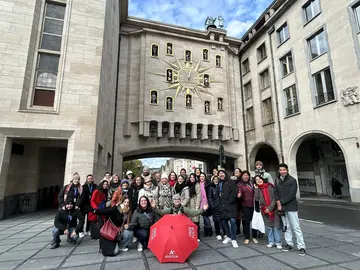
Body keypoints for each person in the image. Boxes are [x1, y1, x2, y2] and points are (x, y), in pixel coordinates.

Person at [274, 163, 306, 256]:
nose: (282, 171)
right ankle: (289, 244)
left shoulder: (292, 180)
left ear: (287, 170)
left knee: (296, 227)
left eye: (284, 170)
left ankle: (301, 246)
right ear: (278, 171)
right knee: (286, 226)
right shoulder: (277, 180)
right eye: (280, 170)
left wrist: (280, 202)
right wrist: (277, 201)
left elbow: (292, 194)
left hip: (291, 207)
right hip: (282, 207)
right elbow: (275, 191)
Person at [254, 175, 282, 249]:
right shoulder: (258, 189)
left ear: (262, 179)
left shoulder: (270, 186)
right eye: (256, 180)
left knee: (276, 226)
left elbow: (274, 198)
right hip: (264, 210)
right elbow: (256, 199)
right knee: (269, 227)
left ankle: (278, 242)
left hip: (273, 209)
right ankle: (271, 242)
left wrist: (270, 208)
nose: (259, 180)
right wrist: (256, 189)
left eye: (259, 179)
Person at [218, 169, 238, 248]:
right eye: (220, 174)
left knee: (233, 222)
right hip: (222, 206)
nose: (221, 175)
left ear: (225, 174)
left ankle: (234, 239)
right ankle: (229, 236)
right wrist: (218, 204)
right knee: (224, 222)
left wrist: (229, 201)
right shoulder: (219, 183)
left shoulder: (231, 182)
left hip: (230, 205)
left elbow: (234, 193)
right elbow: (217, 195)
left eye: (222, 173)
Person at [238, 170, 258, 245]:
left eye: (247, 175)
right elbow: (240, 192)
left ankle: (254, 236)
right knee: (246, 222)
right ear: (242, 176)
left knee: (254, 221)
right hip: (245, 205)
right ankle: (247, 237)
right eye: (244, 175)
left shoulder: (252, 183)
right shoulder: (240, 184)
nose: (245, 177)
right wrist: (239, 195)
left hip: (254, 204)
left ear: (249, 176)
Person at [208, 175, 223, 240]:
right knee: (216, 221)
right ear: (212, 180)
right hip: (215, 207)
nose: (216, 180)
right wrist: (213, 206)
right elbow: (210, 198)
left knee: (223, 220)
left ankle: (225, 233)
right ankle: (218, 233)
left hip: (222, 206)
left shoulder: (221, 187)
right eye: (214, 179)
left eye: (217, 179)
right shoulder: (211, 188)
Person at [187, 173, 201, 241]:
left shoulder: (197, 185)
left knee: (196, 221)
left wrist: (197, 206)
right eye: (191, 177)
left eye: (193, 177)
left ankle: (197, 236)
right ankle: (190, 235)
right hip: (188, 204)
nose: (192, 178)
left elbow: (199, 195)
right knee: (189, 221)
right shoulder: (188, 184)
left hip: (195, 203)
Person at [199, 172, 212, 237]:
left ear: (205, 177)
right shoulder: (199, 184)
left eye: (203, 176)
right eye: (200, 176)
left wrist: (207, 203)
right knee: (204, 217)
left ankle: (209, 230)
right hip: (201, 202)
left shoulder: (207, 184)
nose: (202, 177)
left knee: (205, 217)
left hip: (206, 202)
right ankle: (206, 230)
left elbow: (208, 194)